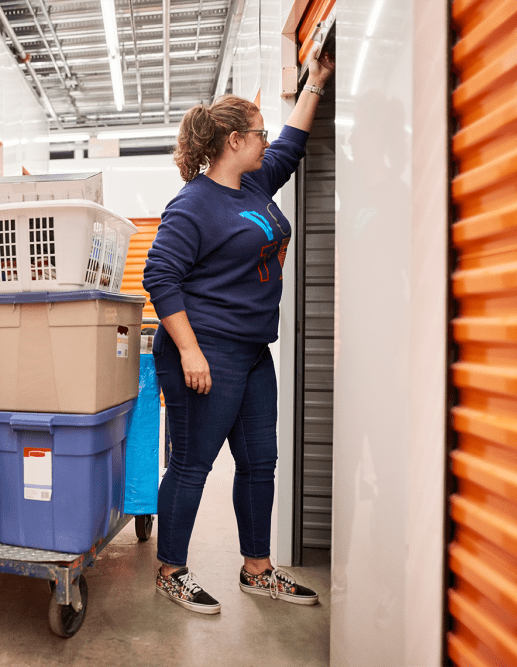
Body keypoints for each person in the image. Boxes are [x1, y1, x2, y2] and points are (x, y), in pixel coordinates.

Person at [143, 52, 336, 614]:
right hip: (202, 352)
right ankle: (171, 570)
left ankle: (257, 570)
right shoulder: (193, 205)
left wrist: (317, 83)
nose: (265, 139)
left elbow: (292, 145)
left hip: (251, 351)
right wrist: (190, 352)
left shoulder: (254, 186)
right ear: (232, 140)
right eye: (258, 132)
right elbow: (160, 276)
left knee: (260, 461)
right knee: (191, 464)